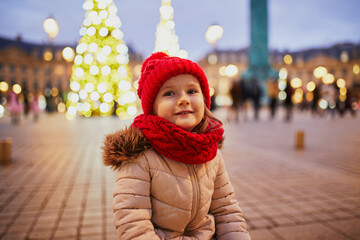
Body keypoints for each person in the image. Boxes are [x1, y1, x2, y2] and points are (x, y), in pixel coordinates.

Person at [103, 52, 251, 240]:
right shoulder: (140, 155)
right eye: (169, 93)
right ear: (153, 108)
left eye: (192, 91)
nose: (184, 99)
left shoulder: (210, 151)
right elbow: (132, 220)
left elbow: (226, 209)